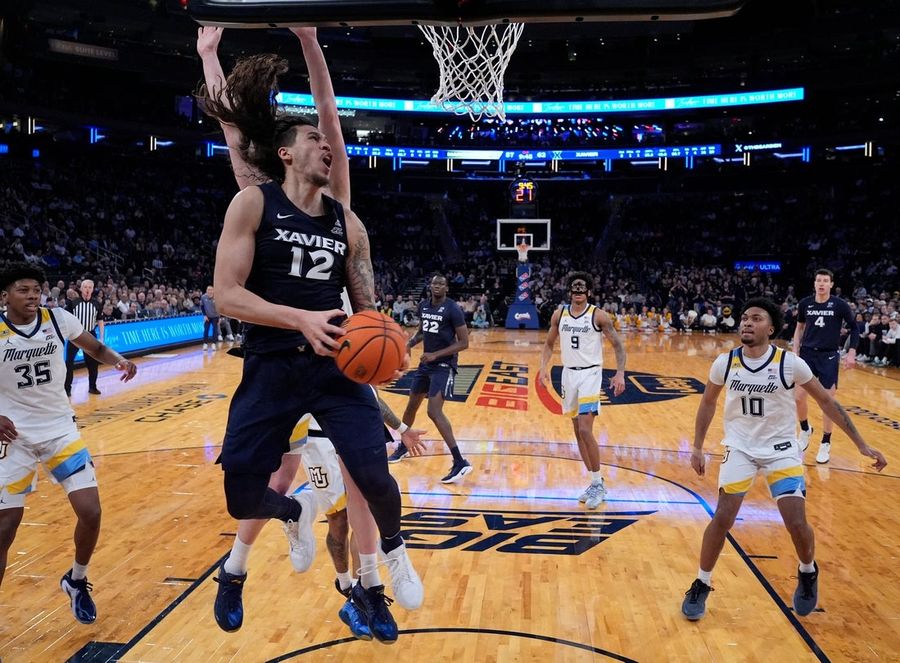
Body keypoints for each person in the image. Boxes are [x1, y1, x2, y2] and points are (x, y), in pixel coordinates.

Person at [198, 30, 423, 644]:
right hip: (272, 360)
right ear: (286, 155)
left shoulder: (344, 213)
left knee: (372, 475)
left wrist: (309, 39)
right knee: (243, 493)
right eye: (314, 141)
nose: (327, 145)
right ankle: (288, 518)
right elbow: (226, 294)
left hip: (334, 364)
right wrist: (209, 57)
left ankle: (385, 568)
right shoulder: (254, 201)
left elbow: (368, 310)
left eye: (330, 142)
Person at [681, 298, 886, 622]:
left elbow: (827, 402)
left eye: (756, 318)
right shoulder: (725, 363)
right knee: (722, 517)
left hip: (781, 450)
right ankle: (701, 583)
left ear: (771, 328)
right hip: (740, 448)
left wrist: (861, 444)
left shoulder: (790, 364)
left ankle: (807, 571)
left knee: (795, 521)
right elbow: (707, 403)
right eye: (745, 317)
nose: (747, 323)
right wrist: (696, 446)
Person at [0, 263, 137, 624]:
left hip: (60, 430)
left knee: (91, 512)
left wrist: (119, 360)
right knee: (4, 528)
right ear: (5, 296)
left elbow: (95, 346)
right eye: (23, 290)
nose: (32, 296)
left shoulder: (57, 318)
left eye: (36, 289)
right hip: (14, 439)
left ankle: (76, 580)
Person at [537, 272, 627, 509]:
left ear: (588, 291)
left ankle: (598, 485)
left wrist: (620, 373)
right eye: (574, 288)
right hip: (568, 375)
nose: (578, 291)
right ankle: (594, 482)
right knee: (578, 432)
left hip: (590, 374)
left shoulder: (598, 315)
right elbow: (549, 344)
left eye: (582, 288)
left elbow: (618, 345)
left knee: (586, 429)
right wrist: (543, 367)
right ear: (570, 291)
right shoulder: (560, 314)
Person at [389, 275, 473, 483]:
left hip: (444, 366)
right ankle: (404, 445)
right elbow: (422, 332)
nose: (437, 286)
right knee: (411, 406)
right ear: (430, 286)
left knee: (433, 411)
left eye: (441, 284)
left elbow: (464, 343)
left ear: (446, 288)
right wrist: (409, 343)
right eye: (434, 283)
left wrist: (436, 355)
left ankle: (460, 461)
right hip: (426, 365)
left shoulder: (453, 309)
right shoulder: (424, 306)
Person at [792, 269, 859, 464]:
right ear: (814, 283)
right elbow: (799, 328)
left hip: (828, 356)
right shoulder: (805, 303)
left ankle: (826, 442)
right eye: (819, 280)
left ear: (831, 284)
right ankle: (805, 429)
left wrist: (851, 352)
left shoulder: (840, 305)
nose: (821, 283)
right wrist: (795, 349)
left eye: (825, 281)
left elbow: (854, 328)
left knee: (828, 402)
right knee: (798, 397)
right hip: (807, 354)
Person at [64, 278, 103, 396]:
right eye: (85, 287)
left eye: (90, 287)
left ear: (92, 289)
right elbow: (66, 319)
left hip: (90, 335)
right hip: (75, 335)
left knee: (93, 363)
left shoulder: (97, 304)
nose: (87, 289)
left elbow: (100, 320)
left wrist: (102, 338)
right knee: (69, 363)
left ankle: (92, 387)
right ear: (81, 289)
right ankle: (67, 389)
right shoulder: (73, 303)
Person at [200, 285, 220, 351]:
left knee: (215, 330)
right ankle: (205, 344)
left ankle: (214, 344)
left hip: (215, 316)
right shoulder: (203, 297)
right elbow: (202, 306)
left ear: (213, 291)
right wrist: (204, 315)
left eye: (211, 290)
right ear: (206, 291)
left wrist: (219, 318)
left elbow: (220, 308)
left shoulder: (217, 297)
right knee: (206, 329)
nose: (210, 291)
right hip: (207, 317)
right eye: (208, 290)